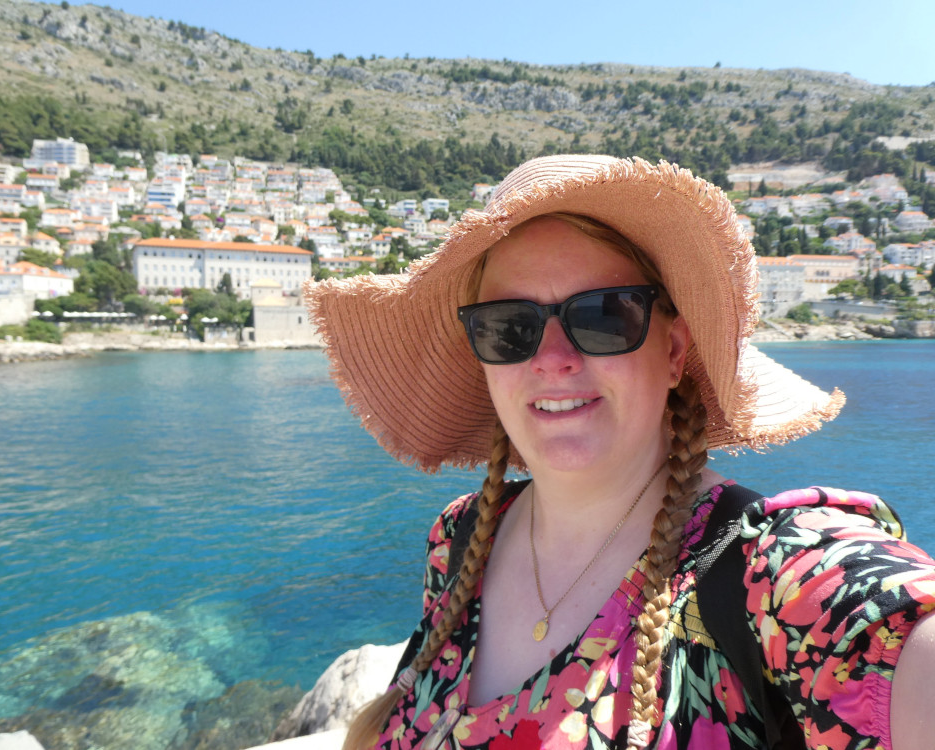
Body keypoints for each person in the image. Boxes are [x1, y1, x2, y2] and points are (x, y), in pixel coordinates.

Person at [305, 155, 935, 750]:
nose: (552, 358)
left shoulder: (769, 573)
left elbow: (890, 628)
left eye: (604, 316)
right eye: (509, 327)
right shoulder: (460, 537)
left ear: (674, 351)